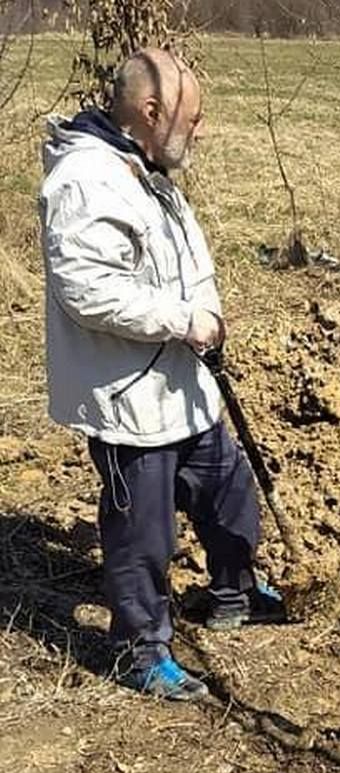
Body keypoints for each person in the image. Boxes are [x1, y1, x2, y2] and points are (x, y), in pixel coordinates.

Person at [39, 48, 286, 701]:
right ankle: (140, 653)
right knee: (142, 534)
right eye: (193, 117)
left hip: (178, 384)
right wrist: (185, 318)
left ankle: (234, 592)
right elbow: (86, 290)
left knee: (228, 488)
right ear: (152, 112)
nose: (200, 130)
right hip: (130, 399)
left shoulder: (140, 165)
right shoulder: (85, 181)